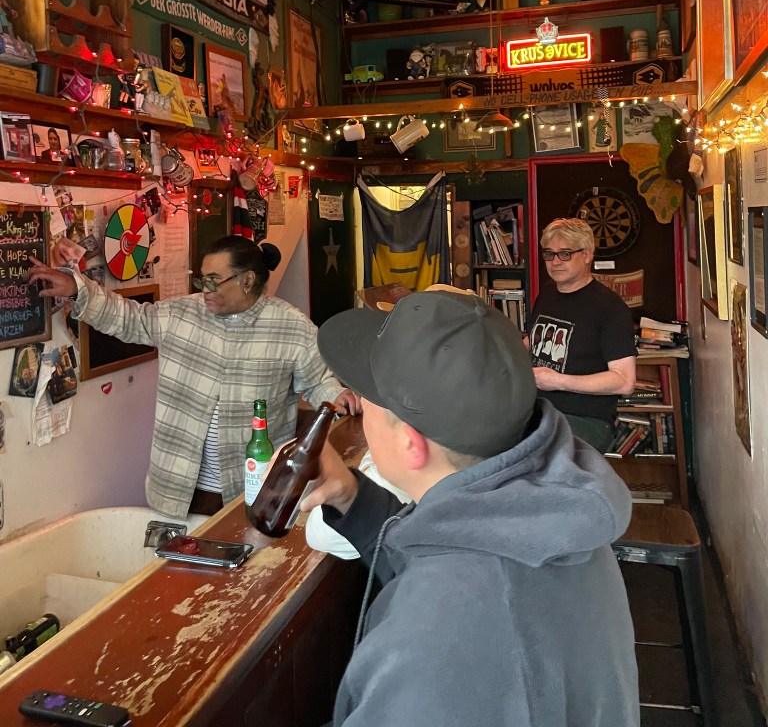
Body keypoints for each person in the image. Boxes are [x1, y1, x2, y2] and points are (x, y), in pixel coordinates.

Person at [301, 289, 640, 727]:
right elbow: (464, 560)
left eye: (368, 396)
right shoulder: (549, 513)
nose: (359, 405)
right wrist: (351, 495)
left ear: (410, 442)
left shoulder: (439, 634)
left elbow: (464, 600)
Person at [28, 236, 361, 518]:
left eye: (214, 279)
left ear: (246, 280)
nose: (205, 289)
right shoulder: (182, 314)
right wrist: (78, 288)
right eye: (203, 279)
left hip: (252, 488)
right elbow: (128, 318)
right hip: (176, 488)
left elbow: (318, 380)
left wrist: (336, 395)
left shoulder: (292, 326)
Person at [528, 218, 636, 452]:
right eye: (549, 254)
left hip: (585, 419)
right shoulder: (547, 293)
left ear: (587, 254)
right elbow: (534, 342)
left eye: (565, 254)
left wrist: (558, 381)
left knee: (535, 459)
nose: (555, 262)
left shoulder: (610, 308)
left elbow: (624, 381)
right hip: (537, 409)